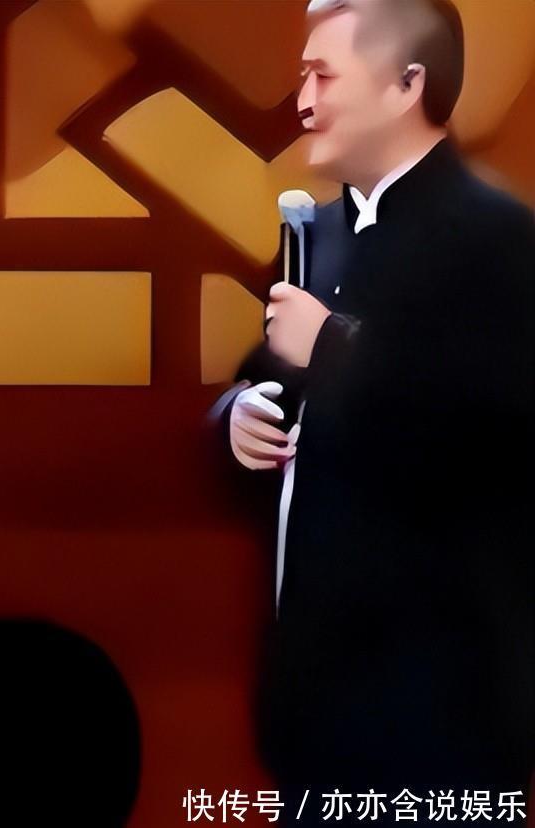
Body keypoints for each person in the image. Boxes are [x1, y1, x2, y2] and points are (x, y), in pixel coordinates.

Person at [216, 0, 534, 804]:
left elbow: (489, 443)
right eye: (302, 78)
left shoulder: (499, 239)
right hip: (310, 713)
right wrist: (237, 421)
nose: (303, 102)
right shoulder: (315, 235)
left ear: (406, 84)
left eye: (324, 77)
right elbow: (264, 382)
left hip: (441, 717)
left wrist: (332, 349)